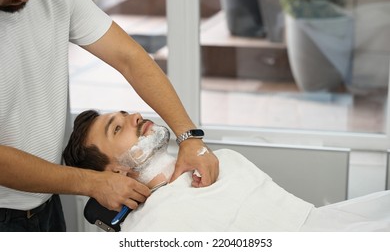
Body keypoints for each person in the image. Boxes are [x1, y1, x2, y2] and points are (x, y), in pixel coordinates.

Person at [0, 0, 218, 232]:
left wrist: (189, 136)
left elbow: (130, 58)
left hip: (45, 202)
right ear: (115, 173)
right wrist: (91, 183)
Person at [63, 110, 390, 232]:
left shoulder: (217, 161)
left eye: (124, 113)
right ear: (115, 174)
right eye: (117, 129)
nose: (134, 115)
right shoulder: (154, 228)